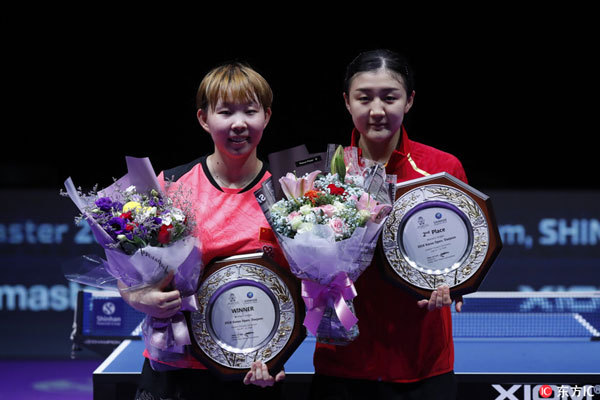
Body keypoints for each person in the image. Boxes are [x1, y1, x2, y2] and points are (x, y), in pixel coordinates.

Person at [118, 61, 287, 400]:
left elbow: (297, 286)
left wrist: (281, 351)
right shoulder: (170, 185)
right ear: (203, 119)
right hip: (174, 369)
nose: (239, 124)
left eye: (250, 111)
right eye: (225, 112)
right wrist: (141, 298)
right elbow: (128, 276)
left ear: (266, 116)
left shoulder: (286, 193)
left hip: (250, 371)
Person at [310, 49, 467, 400]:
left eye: (390, 97)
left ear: (409, 101)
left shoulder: (443, 170)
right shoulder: (320, 175)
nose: (377, 111)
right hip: (343, 363)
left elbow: (464, 249)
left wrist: (456, 283)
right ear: (347, 102)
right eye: (364, 98)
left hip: (422, 365)